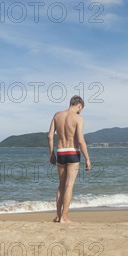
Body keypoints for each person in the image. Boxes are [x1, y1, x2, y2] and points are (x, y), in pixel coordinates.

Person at [47, 95, 91, 223]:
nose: (80, 111)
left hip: (60, 152)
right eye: (80, 108)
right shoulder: (78, 118)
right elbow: (81, 141)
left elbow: (50, 137)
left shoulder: (57, 115)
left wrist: (51, 154)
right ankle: (64, 217)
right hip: (73, 152)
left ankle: (57, 215)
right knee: (69, 185)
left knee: (61, 185)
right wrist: (87, 158)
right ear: (79, 105)